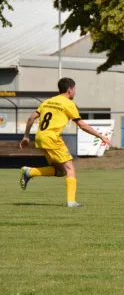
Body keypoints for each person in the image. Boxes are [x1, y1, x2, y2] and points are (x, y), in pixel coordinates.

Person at [19, 77, 112, 207]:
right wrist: (101, 136)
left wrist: (26, 136)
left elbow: (31, 117)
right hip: (52, 138)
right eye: (74, 89)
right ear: (69, 89)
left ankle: (29, 172)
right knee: (70, 168)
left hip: (40, 137)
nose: (75, 92)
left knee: (60, 171)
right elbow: (82, 125)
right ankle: (71, 201)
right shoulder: (68, 104)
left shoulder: (48, 101)